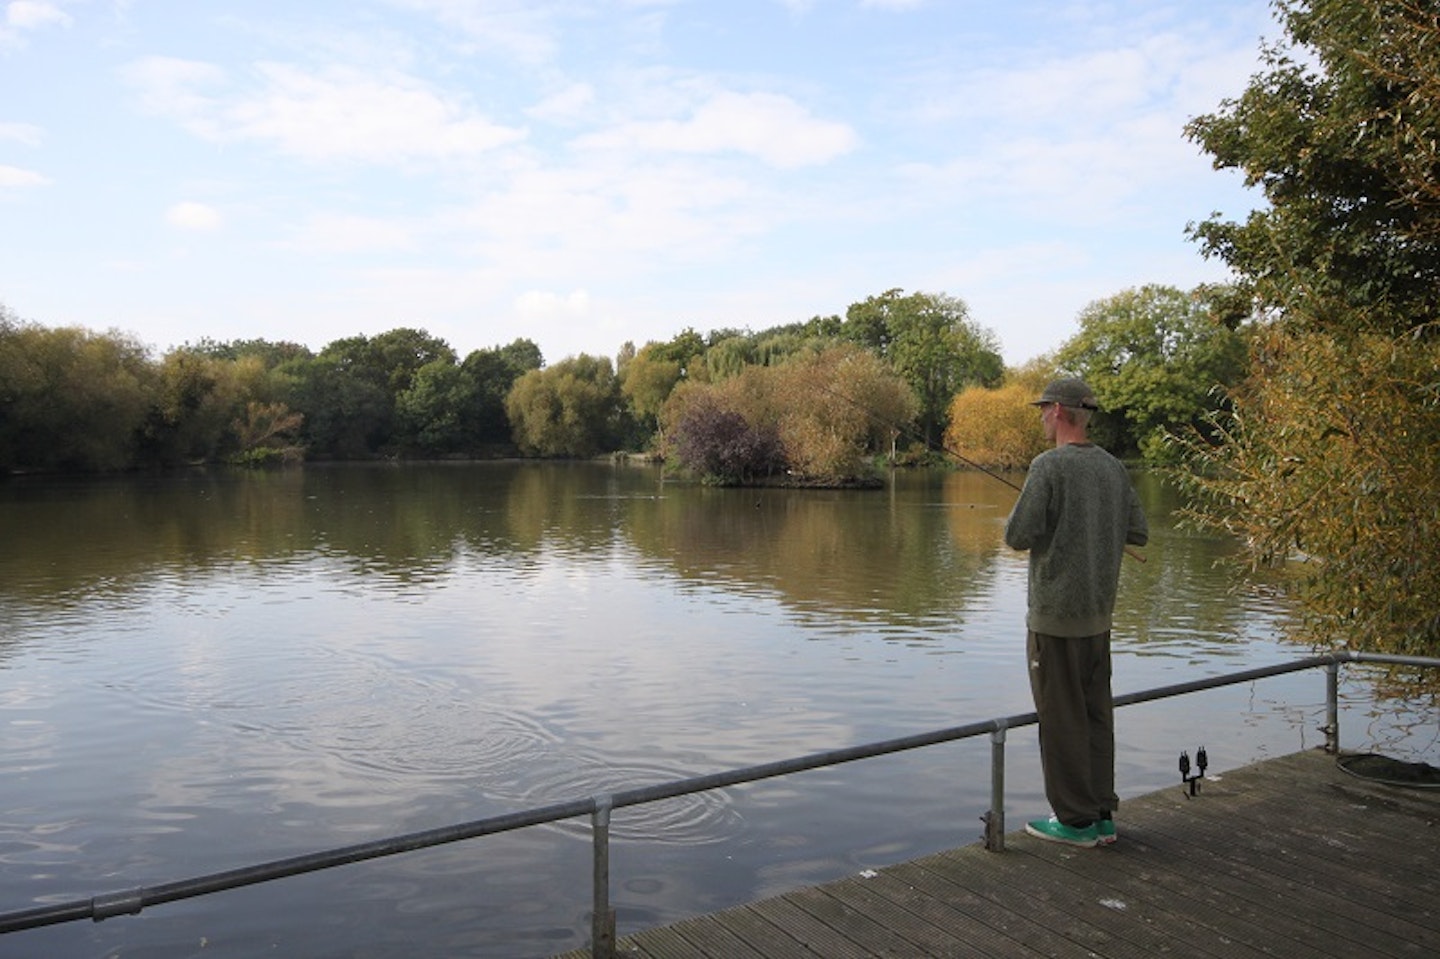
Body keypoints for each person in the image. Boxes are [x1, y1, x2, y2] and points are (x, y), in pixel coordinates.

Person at [1003, 377, 1148, 848]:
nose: (1042, 418)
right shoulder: (1113, 469)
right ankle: (1102, 813)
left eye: (1043, 409)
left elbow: (1017, 534)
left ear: (1061, 412)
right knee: (1095, 717)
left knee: (1061, 719)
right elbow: (1138, 531)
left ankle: (1075, 822)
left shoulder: (1049, 466)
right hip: (1099, 617)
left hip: (1056, 621)